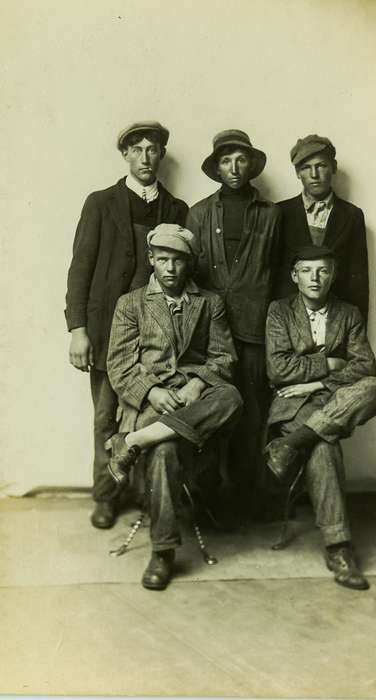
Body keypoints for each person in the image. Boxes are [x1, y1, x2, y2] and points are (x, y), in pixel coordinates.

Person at [65, 121, 188, 530]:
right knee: (105, 417)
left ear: (161, 155)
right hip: (104, 332)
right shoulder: (100, 203)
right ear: (125, 155)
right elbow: (80, 268)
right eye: (136, 149)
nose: (145, 157)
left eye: (152, 149)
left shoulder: (176, 209)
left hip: (155, 334)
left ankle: (148, 496)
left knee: (148, 414)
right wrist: (78, 328)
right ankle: (106, 495)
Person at [106, 223, 243, 590]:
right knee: (165, 450)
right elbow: (119, 365)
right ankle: (162, 552)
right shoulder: (130, 303)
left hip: (191, 397)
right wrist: (151, 392)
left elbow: (224, 357)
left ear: (189, 263)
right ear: (151, 260)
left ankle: (132, 443)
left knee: (231, 396)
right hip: (152, 403)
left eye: (177, 261)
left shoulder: (209, 302)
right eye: (162, 259)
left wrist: (199, 382)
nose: (169, 268)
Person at [265, 247, 376, 589]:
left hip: (335, 400)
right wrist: (331, 363)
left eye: (322, 271)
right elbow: (278, 369)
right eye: (307, 271)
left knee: (375, 387)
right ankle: (339, 548)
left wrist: (316, 383)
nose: (315, 279)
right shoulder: (279, 311)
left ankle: (287, 446)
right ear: (294, 276)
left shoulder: (348, 313)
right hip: (291, 406)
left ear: (332, 275)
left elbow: (365, 367)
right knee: (323, 447)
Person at [186, 129, 281, 510]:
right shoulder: (198, 213)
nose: (234, 167)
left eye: (241, 159)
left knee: (252, 413)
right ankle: (207, 497)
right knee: (211, 409)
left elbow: (276, 273)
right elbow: (188, 275)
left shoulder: (272, 215)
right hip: (209, 333)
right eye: (226, 160)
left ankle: (245, 497)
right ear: (217, 167)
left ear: (251, 164)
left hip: (256, 329)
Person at [276, 135, 369, 322]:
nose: (314, 174)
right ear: (297, 173)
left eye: (321, 165)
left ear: (333, 167)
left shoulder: (352, 215)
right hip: (291, 321)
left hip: (337, 321)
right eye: (306, 168)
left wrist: (356, 330)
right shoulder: (279, 212)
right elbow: (272, 274)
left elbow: (358, 280)